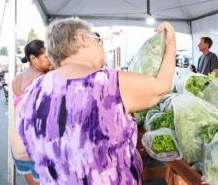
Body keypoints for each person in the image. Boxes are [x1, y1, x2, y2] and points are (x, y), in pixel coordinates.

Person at [17, 18, 176, 184]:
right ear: (82, 39)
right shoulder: (109, 83)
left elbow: (21, 151)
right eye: (97, 40)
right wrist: (170, 43)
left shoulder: (32, 91)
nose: (101, 47)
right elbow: (161, 86)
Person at [11, 40, 53, 185]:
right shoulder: (44, 79)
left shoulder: (16, 79)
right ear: (33, 59)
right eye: (48, 57)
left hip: (18, 146)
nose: (52, 61)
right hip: (36, 148)